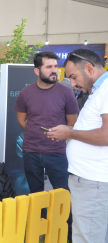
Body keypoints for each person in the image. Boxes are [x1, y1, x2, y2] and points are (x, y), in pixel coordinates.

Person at [14, 51, 79, 241]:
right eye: (48, 67)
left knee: (63, 195)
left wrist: (57, 135)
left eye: (55, 67)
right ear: (37, 70)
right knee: (36, 194)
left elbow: (72, 124)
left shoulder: (66, 93)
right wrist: (35, 133)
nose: (54, 71)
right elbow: (22, 120)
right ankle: (40, 230)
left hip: (57, 153)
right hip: (31, 152)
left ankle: (66, 233)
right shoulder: (26, 93)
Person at [46, 49, 108, 243]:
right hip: (89, 180)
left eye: (74, 77)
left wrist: (70, 133)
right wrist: (69, 131)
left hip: (93, 181)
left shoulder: (106, 89)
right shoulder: (99, 90)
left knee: (87, 237)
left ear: (89, 68)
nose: (72, 84)